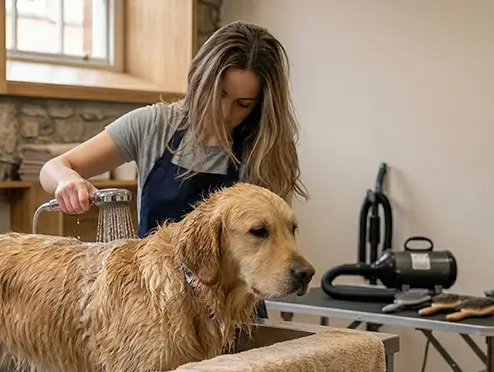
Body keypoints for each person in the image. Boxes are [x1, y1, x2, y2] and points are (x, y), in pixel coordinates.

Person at [38, 21, 308, 319]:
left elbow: (274, 244)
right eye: (218, 94)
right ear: (199, 82)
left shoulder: (266, 149)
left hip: (233, 314)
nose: (225, 113)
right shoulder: (153, 126)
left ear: (260, 105)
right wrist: (68, 180)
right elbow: (55, 167)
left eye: (243, 104)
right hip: (152, 307)